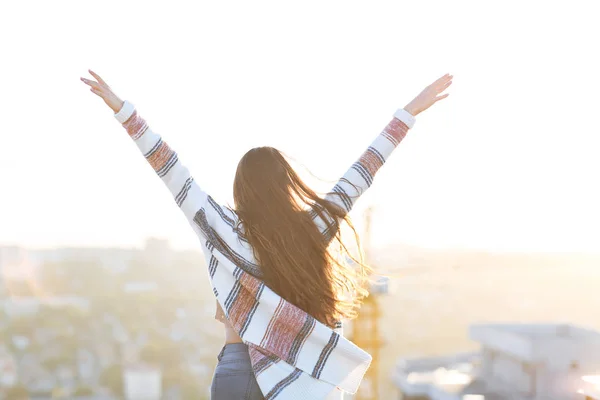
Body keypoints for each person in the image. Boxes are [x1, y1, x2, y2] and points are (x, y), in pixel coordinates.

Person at [81, 71, 452, 399]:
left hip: (238, 372)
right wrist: (407, 114)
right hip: (298, 376)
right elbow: (361, 174)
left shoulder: (219, 227)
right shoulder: (309, 230)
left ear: (241, 187)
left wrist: (124, 111)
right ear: (286, 185)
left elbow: (169, 167)